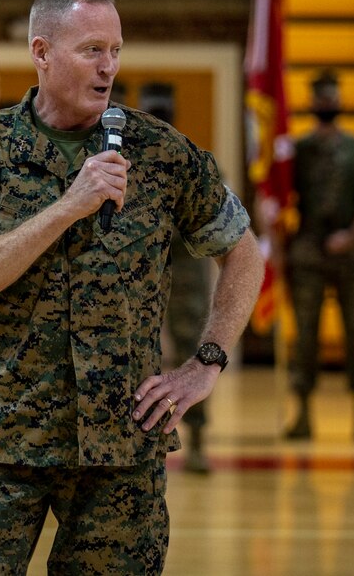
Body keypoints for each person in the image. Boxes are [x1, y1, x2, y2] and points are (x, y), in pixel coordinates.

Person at [0, 0, 264, 573]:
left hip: (121, 447)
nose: (108, 66)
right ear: (42, 52)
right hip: (0, 439)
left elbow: (244, 253)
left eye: (115, 49)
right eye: (91, 50)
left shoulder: (161, 152)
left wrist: (205, 363)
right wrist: (67, 206)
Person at [284, 69, 354, 443]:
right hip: (308, 249)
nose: (327, 104)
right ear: (313, 104)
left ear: (340, 102)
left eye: (332, 97)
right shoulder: (297, 150)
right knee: (305, 335)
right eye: (321, 98)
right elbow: (280, 197)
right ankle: (303, 415)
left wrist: (352, 234)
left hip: (349, 252)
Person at [141, 81, 214, 474]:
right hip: (137, 269)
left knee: (191, 350)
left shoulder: (190, 158)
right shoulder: (119, 157)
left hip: (184, 267)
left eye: (162, 108)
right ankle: (142, 443)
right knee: (137, 356)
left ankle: (198, 440)